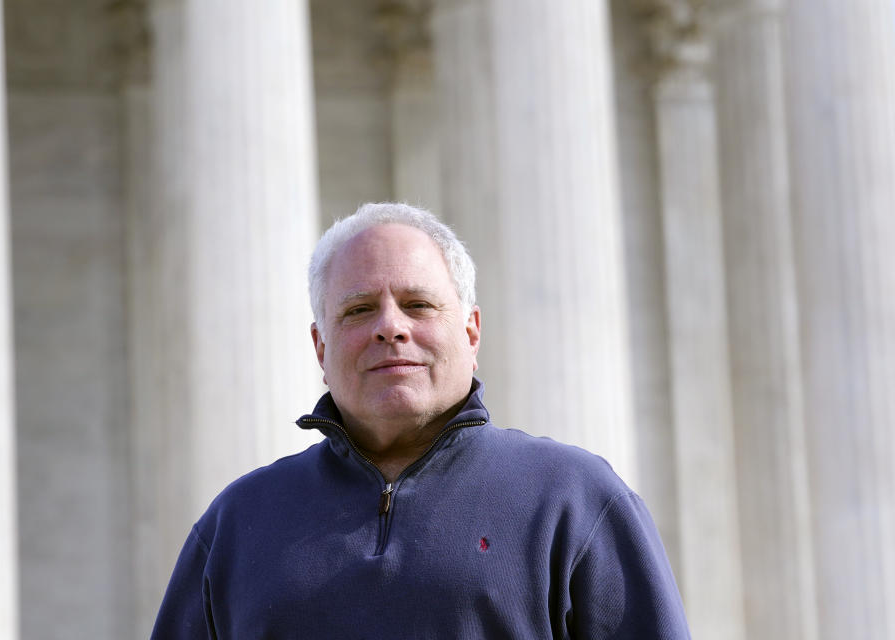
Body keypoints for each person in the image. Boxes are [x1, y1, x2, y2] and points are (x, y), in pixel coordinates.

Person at [151, 202, 691, 639]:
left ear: (472, 333)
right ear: (320, 347)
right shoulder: (238, 523)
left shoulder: (575, 501)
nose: (390, 327)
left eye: (418, 305)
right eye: (359, 309)